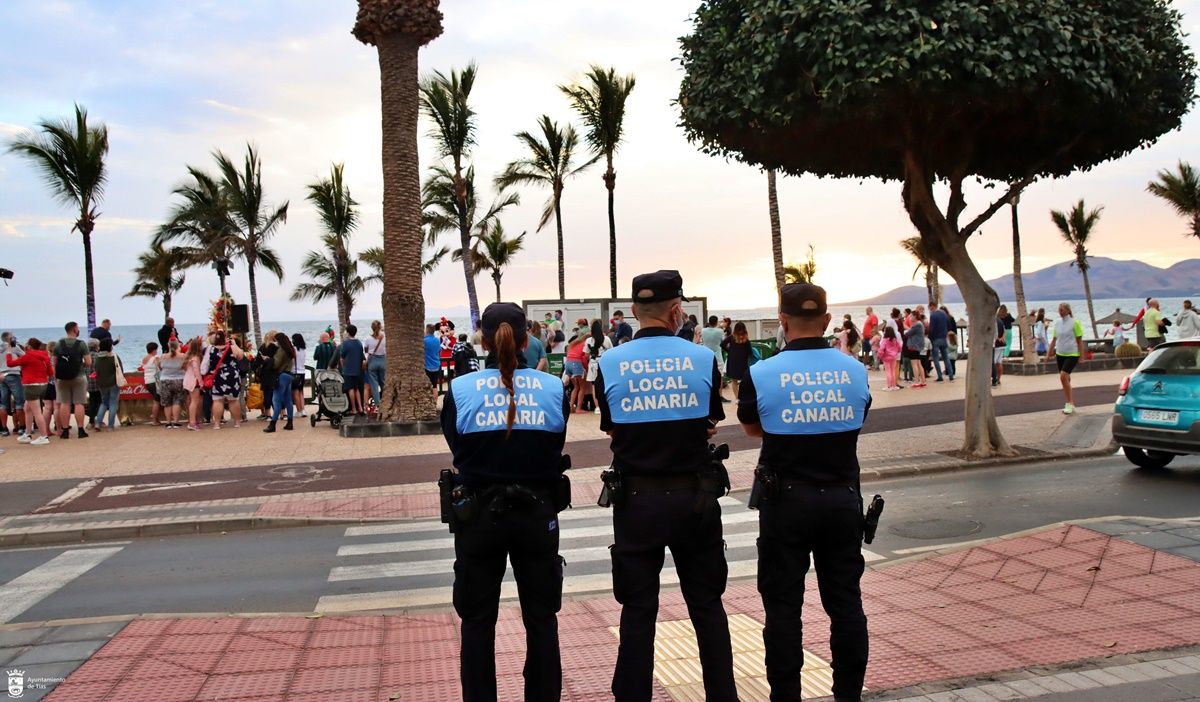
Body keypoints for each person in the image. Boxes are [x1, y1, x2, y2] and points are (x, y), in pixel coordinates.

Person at [594, 270, 737, 701]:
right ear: (677, 310)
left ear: (635, 311)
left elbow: (614, 430)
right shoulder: (700, 359)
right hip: (694, 498)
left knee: (638, 611)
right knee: (707, 606)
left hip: (637, 502)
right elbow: (709, 422)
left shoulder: (610, 362)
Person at [738, 282, 872, 702]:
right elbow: (856, 418)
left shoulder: (760, 373)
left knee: (782, 610)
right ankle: (848, 694)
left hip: (785, 503)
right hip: (841, 499)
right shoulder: (855, 370)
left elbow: (752, 428)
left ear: (782, 320)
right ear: (828, 320)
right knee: (846, 605)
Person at [440, 302, 570, 701]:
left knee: (477, 622)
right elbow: (555, 445)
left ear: (482, 340)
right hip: (537, 517)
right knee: (542, 620)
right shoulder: (552, 388)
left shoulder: (460, 390)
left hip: (478, 518)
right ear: (527, 338)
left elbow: (457, 448)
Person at [8, 338, 53, 445]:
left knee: (36, 411)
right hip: (42, 384)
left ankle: (44, 436)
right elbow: (50, 372)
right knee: (27, 408)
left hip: (31, 385)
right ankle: (27, 434)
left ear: (30, 346)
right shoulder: (44, 355)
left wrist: (9, 351)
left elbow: (10, 363)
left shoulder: (28, 356)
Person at [54, 322, 92, 439]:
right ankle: (80, 430)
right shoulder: (81, 344)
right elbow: (89, 362)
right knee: (78, 403)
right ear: (75, 329)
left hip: (62, 377)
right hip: (79, 376)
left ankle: (65, 431)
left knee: (64, 403)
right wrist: (81, 365)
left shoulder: (58, 344)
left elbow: (54, 362)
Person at [1047, 303, 1085, 415]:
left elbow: (1079, 341)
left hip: (1072, 354)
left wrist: (1081, 356)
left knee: (1063, 376)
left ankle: (1069, 403)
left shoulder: (1075, 323)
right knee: (1066, 378)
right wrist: (1049, 352)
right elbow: (1054, 339)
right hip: (1060, 354)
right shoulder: (1058, 323)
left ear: (1068, 310)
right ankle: (1070, 400)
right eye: (1059, 310)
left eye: (1062, 309)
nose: (1060, 311)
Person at [202, 331, 245, 430]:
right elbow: (241, 356)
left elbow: (205, 365)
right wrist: (234, 344)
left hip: (217, 376)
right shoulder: (232, 347)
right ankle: (237, 422)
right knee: (233, 400)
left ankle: (217, 424)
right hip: (232, 376)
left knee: (217, 400)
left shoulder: (210, 349)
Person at [265, 332, 297, 432]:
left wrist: (268, 360)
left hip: (282, 376)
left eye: (275, 340)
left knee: (276, 400)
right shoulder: (290, 350)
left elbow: (276, 364)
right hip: (289, 376)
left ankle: (272, 424)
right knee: (288, 400)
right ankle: (290, 422)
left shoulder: (281, 350)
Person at [583, 319, 612, 414]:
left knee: (594, 386)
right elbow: (611, 351)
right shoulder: (606, 339)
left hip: (593, 363)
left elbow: (586, 354)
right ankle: (606, 405)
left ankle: (597, 407)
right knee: (606, 384)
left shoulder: (589, 340)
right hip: (604, 364)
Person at [93, 338, 122, 431]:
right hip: (113, 382)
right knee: (113, 403)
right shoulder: (114, 357)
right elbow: (120, 370)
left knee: (104, 402)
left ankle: (98, 423)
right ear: (110, 347)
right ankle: (110, 426)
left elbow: (96, 370)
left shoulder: (97, 358)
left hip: (101, 383)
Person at [157, 340, 187, 429]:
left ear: (168, 346)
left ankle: (168, 422)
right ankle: (176, 422)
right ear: (178, 346)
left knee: (167, 402)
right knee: (177, 401)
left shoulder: (162, 356)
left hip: (165, 380)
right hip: (179, 379)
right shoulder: (182, 356)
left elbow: (160, 367)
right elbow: (185, 367)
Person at [0, 332, 25, 437]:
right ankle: (22, 427)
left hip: (2, 376)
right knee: (19, 402)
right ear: (9, 338)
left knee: (3, 404)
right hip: (13, 374)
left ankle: (4, 428)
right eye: (12, 336)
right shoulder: (14, 347)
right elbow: (25, 357)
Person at [338, 324, 366, 415]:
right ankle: (360, 408)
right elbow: (362, 357)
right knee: (356, 388)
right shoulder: (358, 343)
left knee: (350, 389)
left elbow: (342, 357)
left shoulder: (346, 343)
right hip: (357, 370)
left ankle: (353, 409)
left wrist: (343, 366)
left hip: (348, 370)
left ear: (348, 332)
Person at [722, 321, 753, 402]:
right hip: (743, 361)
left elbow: (722, 344)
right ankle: (743, 397)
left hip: (733, 360)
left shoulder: (731, 337)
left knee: (734, 380)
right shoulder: (746, 340)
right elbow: (750, 352)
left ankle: (737, 398)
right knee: (744, 380)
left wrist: (729, 351)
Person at [700, 316, 727, 398]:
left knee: (706, 375)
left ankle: (707, 394)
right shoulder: (720, 331)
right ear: (716, 322)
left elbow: (701, 341)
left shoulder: (703, 330)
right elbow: (724, 341)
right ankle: (720, 395)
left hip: (705, 356)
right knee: (720, 376)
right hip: (717, 356)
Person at [563, 326, 588, 413]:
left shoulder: (572, 344)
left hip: (568, 364)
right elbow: (584, 358)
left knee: (575, 386)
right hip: (576, 364)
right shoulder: (584, 344)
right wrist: (586, 369)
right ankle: (578, 408)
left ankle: (571, 407)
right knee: (582, 387)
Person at [256, 331, 280, 421]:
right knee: (276, 393)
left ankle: (268, 414)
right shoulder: (277, 348)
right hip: (275, 372)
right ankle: (279, 413)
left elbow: (257, 361)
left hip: (265, 373)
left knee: (267, 393)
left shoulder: (263, 347)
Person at [363, 321, 386, 409]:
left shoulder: (368, 339)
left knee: (374, 384)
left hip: (372, 361)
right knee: (383, 382)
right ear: (380, 327)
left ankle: (378, 404)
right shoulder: (384, 337)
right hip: (382, 360)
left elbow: (366, 352)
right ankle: (385, 401)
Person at [183, 338, 205, 430]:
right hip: (194, 380)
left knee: (191, 401)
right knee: (194, 402)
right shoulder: (196, 358)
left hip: (187, 380)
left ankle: (191, 421)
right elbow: (197, 371)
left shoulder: (188, 357)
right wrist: (201, 383)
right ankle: (192, 422)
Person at [927, 303, 952, 381]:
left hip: (936, 339)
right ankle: (951, 375)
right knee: (946, 357)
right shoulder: (944, 314)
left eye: (929, 308)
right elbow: (948, 325)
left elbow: (932, 329)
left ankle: (940, 376)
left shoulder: (933, 315)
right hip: (944, 338)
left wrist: (930, 338)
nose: (929, 309)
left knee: (936, 359)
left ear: (932, 307)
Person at [141, 342, 162, 426]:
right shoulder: (155, 357)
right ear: (154, 350)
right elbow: (160, 366)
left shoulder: (144, 358)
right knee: (157, 401)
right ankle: (154, 419)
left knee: (155, 399)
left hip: (147, 380)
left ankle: (156, 419)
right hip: (154, 381)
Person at [905, 311, 927, 388]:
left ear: (915, 316)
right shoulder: (919, 324)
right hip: (918, 346)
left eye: (911, 316)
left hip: (914, 346)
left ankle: (917, 381)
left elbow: (908, 333)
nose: (910, 318)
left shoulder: (917, 324)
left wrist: (906, 329)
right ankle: (923, 381)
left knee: (914, 364)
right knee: (918, 363)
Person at [876, 326, 902, 391]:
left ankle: (888, 386)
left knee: (888, 371)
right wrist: (896, 352)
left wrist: (879, 356)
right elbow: (899, 347)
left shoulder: (884, 340)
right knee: (892, 371)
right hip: (894, 357)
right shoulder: (895, 340)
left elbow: (881, 349)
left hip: (886, 357)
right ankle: (894, 386)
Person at [424, 324, 443, 401]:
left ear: (427, 330)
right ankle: (435, 403)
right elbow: (439, 351)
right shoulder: (437, 340)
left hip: (426, 367)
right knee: (435, 386)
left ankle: (428, 403)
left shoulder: (424, 341)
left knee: (426, 386)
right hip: (436, 366)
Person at [291, 333, 308, 417]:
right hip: (302, 372)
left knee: (295, 392)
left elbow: (292, 362)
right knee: (301, 392)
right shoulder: (303, 350)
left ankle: (299, 410)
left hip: (295, 372)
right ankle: (303, 409)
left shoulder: (293, 349)